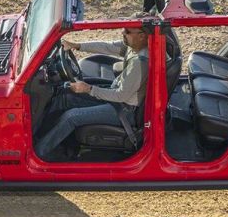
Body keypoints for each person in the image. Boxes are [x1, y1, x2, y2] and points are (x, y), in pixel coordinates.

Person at [34, 20, 150, 158]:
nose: (123, 33)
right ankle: (40, 135)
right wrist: (77, 45)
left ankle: (37, 154)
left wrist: (88, 89)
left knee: (71, 117)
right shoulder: (133, 46)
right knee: (64, 97)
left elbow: (120, 96)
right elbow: (107, 47)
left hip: (125, 110)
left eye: (127, 31)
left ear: (142, 36)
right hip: (116, 97)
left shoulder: (140, 63)